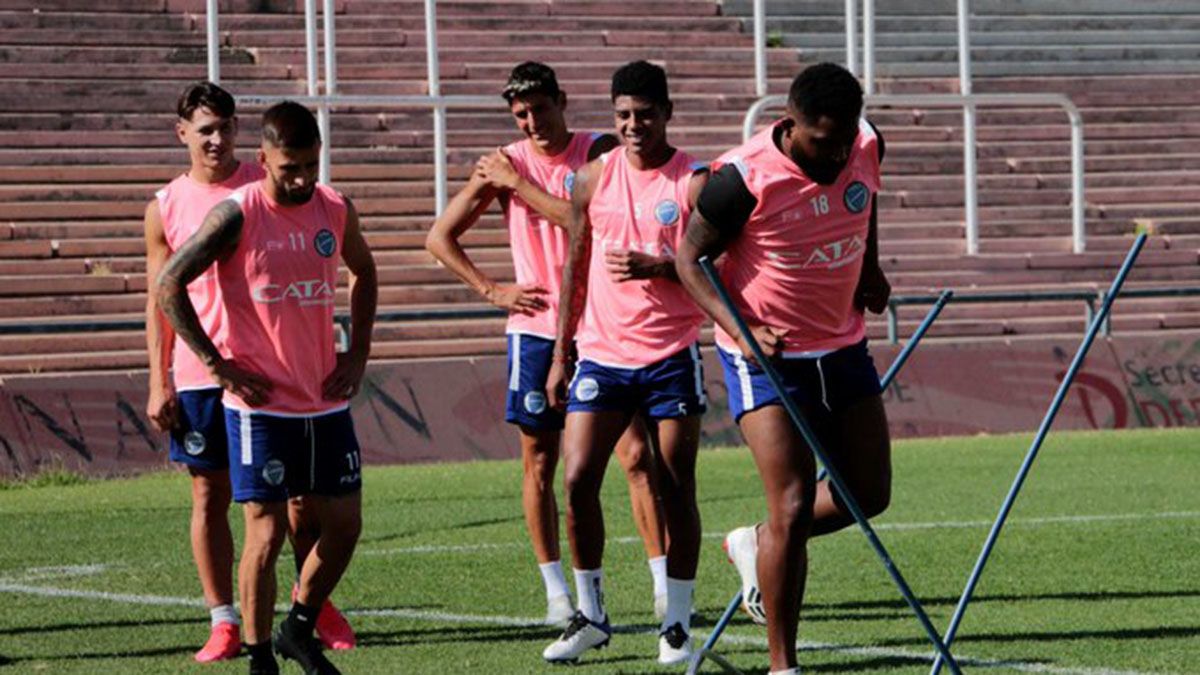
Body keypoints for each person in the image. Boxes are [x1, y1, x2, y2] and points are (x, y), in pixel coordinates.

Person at [426, 61, 671, 625]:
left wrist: (518, 186)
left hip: (602, 326)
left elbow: (584, 222)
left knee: (637, 455)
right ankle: (557, 593)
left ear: (561, 101)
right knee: (540, 460)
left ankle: (663, 585)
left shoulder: (598, 153)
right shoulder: (505, 163)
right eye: (521, 114)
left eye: (540, 108)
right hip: (537, 331)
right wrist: (493, 290)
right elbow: (439, 237)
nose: (532, 122)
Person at [674, 62, 893, 675]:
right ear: (789, 125)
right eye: (823, 142)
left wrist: (870, 265)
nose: (837, 154)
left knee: (869, 494)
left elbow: (866, 197)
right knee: (793, 507)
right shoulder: (741, 180)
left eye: (844, 139)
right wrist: (742, 330)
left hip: (843, 344)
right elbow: (689, 260)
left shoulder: (865, 142)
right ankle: (783, 666)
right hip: (767, 355)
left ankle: (756, 540)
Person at [158, 101, 377, 675]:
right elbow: (169, 283)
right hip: (261, 407)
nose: (302, 179)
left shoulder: (334, 207)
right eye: (289, 169)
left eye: (310, 166)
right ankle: (259, 658)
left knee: (345, 524)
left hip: (324, 399)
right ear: (264, 159)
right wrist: (216, 364)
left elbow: (365, 270)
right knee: (266, 532)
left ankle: (298, 626)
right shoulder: (237, 215)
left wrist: (357, 352)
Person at [541, 60, 709, 666]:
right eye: (623, 116)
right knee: (577, 478)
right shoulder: (592, 177)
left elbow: (716, 266)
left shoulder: (693, 181)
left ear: (667, 113)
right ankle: (590, 616)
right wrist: (561, 353)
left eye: (645, 114)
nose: (634, 125)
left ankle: (677, 623)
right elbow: (575, 264)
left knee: (674, 484)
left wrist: (660, 268)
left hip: (670, 354)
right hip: (603, 355)